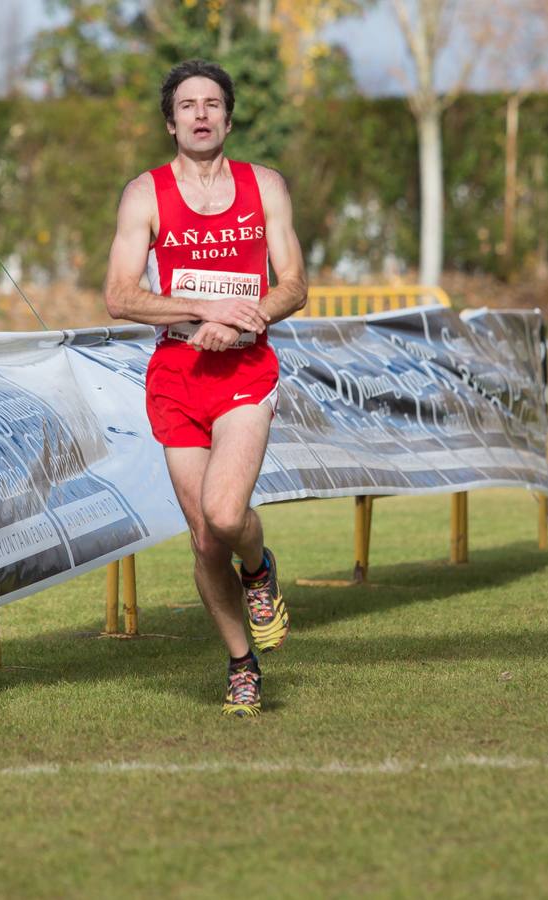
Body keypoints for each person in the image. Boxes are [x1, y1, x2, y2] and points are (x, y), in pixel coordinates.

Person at [104, 59, 307, 717]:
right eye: (187, 104)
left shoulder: (266, 186)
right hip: (178, 377)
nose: (199, 113)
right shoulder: (145, 194)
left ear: (226, 116)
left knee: (226, 515)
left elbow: (294, 284)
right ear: (170, 122)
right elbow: (119, 295)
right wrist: (198, 314)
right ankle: (242, 664)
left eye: (212, 103)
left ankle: (259, 568)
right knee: (201, 539)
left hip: (246, 374)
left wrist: (253, 315)